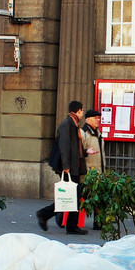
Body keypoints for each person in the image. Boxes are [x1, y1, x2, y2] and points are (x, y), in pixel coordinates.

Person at [36, 100, 88, 235]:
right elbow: (64, 146)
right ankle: (44, 214)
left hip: (73, 165)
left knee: (73, 196)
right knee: (70, 196)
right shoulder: (67, 124)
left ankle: (71, 225)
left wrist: (86, 153)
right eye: (82, 110)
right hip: (69, 167)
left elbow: (75, 147)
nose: (83, 113)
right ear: (78, 111)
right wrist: (66, 167)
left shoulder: (74, 124)